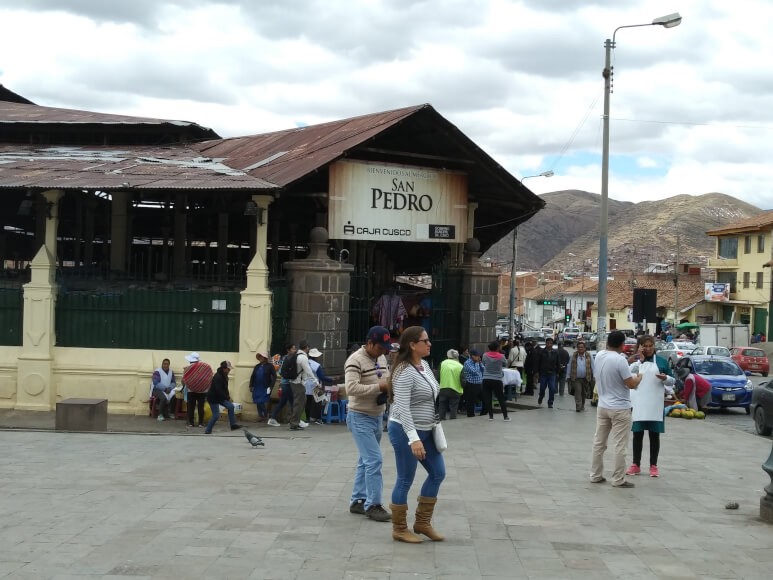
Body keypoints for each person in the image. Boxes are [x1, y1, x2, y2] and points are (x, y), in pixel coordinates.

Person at [387, 325, 445, 543]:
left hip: (427, 428)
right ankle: (399, 528)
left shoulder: (425, 366)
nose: (429, 344)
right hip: (404, 430)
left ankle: (422, 522)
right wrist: (414, 439)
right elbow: (401, 407)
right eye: (425, 341)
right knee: (405, 479)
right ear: (412, 344)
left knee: (438, 472)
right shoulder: (403, 371)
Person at [344, 325, 392, 522]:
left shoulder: (380, 357)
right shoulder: (355, 360)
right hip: (359, 415)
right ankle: (373, 504)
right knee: (374, 460)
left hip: (377, 414)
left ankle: (358, 500)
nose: (383, 351)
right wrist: (378, 387)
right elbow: (351, 388)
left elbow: (386, 377)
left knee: (366, 460)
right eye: (380, 347)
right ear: (370, 343)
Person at [589, 331, 643, 488]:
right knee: (620, 445)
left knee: (599, 442)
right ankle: (618, 479)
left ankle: (595, 474)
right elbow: (631, 384)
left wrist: (630, 359)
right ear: (622, 344)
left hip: (603, 405)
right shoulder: (620, 361)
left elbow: (616, 364)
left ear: (608, 343)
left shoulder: (600, 356)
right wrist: (639, 377)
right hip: (620, 407)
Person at [626, 335, 675, 478]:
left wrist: (665, 378)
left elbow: (673, 381)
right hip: (639, 403)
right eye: (644, 346)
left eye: (650, 345)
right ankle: (636, 464)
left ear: (654, 346)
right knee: (637, 435)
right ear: (639, 346)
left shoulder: (661, 362)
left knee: (654, 436)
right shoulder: (635, 361)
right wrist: (638, 360)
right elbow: (628, 375)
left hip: (655, 404)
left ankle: (653, 465)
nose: (647, 349)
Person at [204, 361, 242, 434]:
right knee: (216, 415)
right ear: (224, 368)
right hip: (213, 398)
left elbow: (225, 388)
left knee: (230, 406)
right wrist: (226, 397)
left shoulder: (224, 375)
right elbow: (218, 390)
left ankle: (233, 425)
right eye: (228, 369)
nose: (229, 370)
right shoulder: (218, 377)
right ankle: (208, 430)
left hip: (220, 397)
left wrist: (227, 396)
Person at [288, 340, 317, 431]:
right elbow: (308, 371)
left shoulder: (296, 355)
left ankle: (295, 421)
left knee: (299, 402)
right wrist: (316, 382)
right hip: (298, 383)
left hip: (293, 382)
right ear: (307, 348)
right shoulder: (303, 358)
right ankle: (294, 423)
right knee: (299, 403)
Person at [268, 344, 297, 427]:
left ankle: (273, 418)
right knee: (292, 402)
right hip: (286, 383)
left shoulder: (287, 358)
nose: (295, 350)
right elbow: (281, 371)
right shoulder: (287, 359)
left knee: (283, 402)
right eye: (293, 349)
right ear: (288, 350)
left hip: (285, 383)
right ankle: (295, 420)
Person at [481, 340, 510, 421]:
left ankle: (491, 416)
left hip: (486, 379)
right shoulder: (502, 356)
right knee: (501, 398)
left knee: (488, 398)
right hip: (497, 379)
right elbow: (505, 364)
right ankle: (505, 416)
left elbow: (483, 364)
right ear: (497, 348)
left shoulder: (485, 355)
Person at [182, 352, 213, 428]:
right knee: (201, 407)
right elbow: (209, 377)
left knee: (191, 407)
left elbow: (184, 381)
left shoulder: (187, 368)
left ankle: (191, 423)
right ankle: (200, 423)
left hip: (191, 390)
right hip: (203, 391)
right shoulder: (204, 368)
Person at [307, 347, 335, 425]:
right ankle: (318, 418)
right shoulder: (316, 365)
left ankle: (308, 418)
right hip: (315, 385)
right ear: (315, 357)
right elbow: (321, 377)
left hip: (306, 384)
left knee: (308, 402)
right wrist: (331, 379)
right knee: (318, 402)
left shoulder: (306, 362)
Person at [249, 351, 276, 422]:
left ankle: (265, 414)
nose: (260, 358)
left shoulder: (270, 366)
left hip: (265, 386)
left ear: (265, 358)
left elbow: (274, 377)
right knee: (257, 401)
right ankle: (261, 416)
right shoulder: (257, 366)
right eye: (259, 357)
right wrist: (251, 385)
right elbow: (252, 376)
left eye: (262, 357)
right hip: (257, 386)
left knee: (261, 401)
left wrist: (271, 386)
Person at [568, 341, 594, 412]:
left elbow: (593, 366)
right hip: (576, 378)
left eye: (582, 347)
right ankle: (578, 406)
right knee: (578, 392)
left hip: (586, 378)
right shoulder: (574, 355)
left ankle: (582, 405)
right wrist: (568, 376)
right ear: (577, 348)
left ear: (585, 348)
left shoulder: (589, 355)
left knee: (583, 393)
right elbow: (569, 365)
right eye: (579, 347)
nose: (580, 348)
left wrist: (594, 376)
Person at [437, 349, 463, 420]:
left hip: (443, 388)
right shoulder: (460, 366)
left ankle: (441, 419)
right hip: (456, 390)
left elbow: (438, 376)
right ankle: (453, 419)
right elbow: (463, 380)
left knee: (442, 405)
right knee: (453, 407)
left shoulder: (443, 363)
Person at [536, 337, 560, 408]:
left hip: (552, 373)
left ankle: (550, 402)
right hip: (543, 373)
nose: (549, 345)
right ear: (546, 344)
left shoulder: (555, 352)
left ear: (552, 344)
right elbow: (538, 362)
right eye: (548, 343)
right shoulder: (541, 352)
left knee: (552, 388)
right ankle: (541, 396)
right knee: (542, 388)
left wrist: (558, 372)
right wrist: (537, 372)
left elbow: (558, 363)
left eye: (551, 343)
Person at [462, 349, 484, 417]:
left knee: (486, 399)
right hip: (471, 384)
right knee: (470, 402)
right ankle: (471, 416)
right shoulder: (467, 363)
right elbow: (475, 372)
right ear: (472, 356)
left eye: (479, 356)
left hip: (480, 384)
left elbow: (483, 369)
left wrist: (480, 364)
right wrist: (477, 363)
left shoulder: (479, 362)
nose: (479, 357)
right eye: (477, 356)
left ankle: (483, 414)